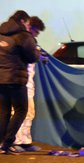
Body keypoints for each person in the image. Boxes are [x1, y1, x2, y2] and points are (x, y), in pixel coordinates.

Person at [0, 10, 40, 154]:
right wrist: (37, 52)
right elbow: (31, 57)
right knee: (21, 110)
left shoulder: (1, 33)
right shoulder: (23, 36)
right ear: (23, 21)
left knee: (4, 112)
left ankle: (1, 145)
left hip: (1, 79)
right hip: (16, 79)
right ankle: (8, 143)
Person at [13, 16, 46, 152]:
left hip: (27, 83)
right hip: (20, 82)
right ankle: (16, 141)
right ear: (30, 27)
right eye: (36, 31)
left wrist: (39, 55)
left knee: (28, 113)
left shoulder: (29, 40)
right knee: (18, 113)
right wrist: (38, 55)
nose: (36, 35)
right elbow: (29, 56)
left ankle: (25, 141)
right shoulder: (22, 39)